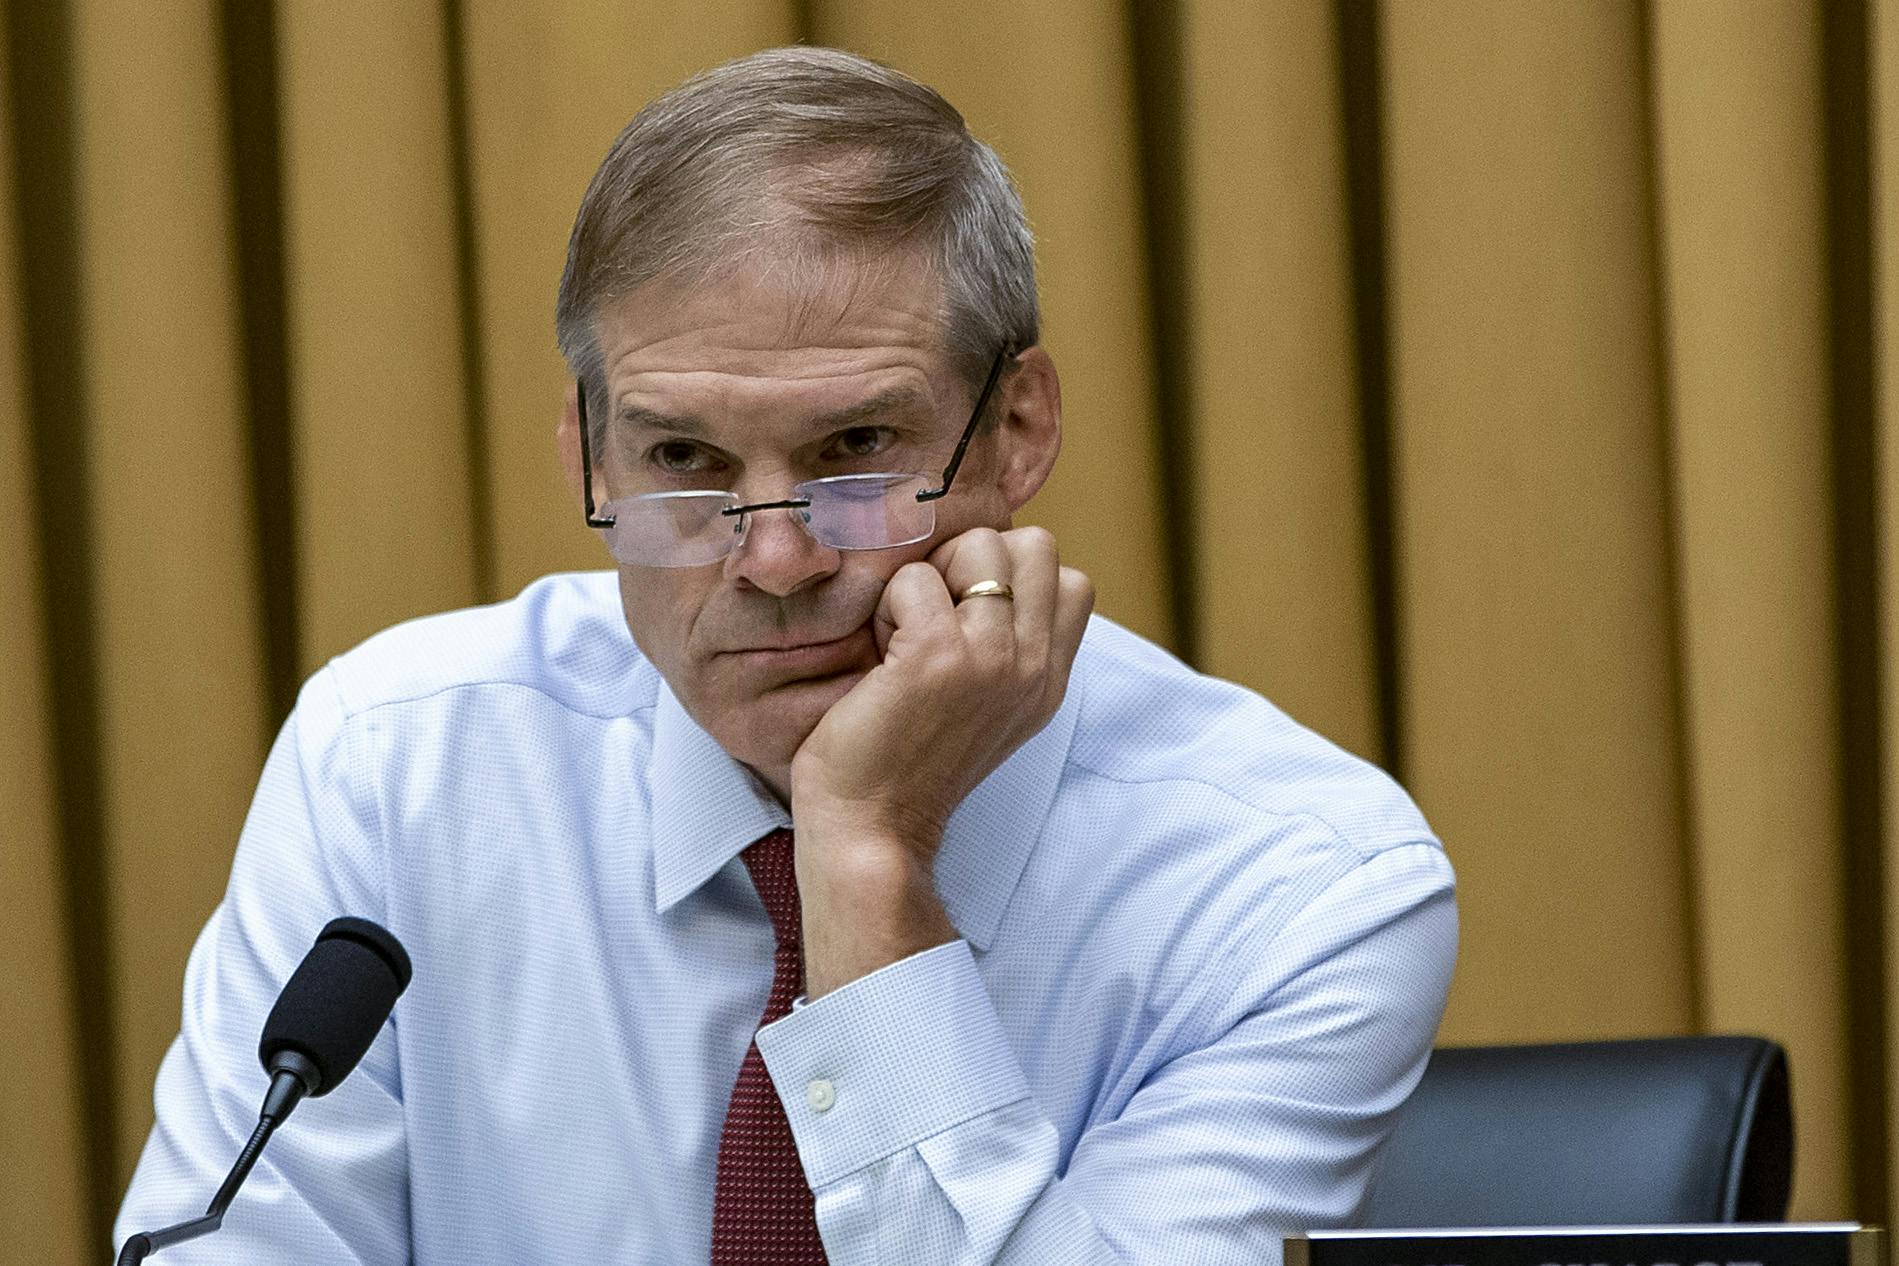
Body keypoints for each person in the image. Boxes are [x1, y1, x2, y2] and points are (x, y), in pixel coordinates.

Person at [115, 46, 1456, 1264]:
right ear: (588, 453)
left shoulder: (1301, 882)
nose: (775, 562)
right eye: (683, 462)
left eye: (856, 452)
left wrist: (868, 857)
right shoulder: (397, 762)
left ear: (1017, 431)